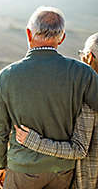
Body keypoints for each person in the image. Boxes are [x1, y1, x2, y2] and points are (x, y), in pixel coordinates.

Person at [0, 6, 98, 189]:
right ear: (62, 38)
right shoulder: (83, 73)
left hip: (22, 169)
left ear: (28, 34)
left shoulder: (7, 76)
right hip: (63, 171)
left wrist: (0, 164)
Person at [15, 32, 98, 189]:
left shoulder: (87, 99)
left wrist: (33, 141)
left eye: (82, 54)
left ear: (89, 57)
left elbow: (79, 150)